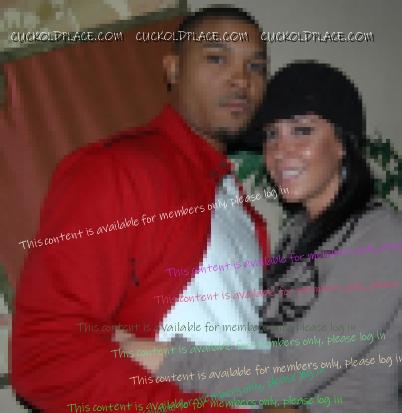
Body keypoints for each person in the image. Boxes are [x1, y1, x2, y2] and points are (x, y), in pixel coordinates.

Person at [12, 6, 276, 413]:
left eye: (255, 66)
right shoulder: (115, 170)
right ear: (173, 70)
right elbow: (48, 360)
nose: (242, 79)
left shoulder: (236, 200)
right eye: (217, 58)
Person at [126, 61, 402, 412]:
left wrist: (163, 358)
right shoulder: (297, 231)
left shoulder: (377, 235)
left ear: (342, 143)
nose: (280, 151)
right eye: (272, 134)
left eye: (302, 131)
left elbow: (290, 377)